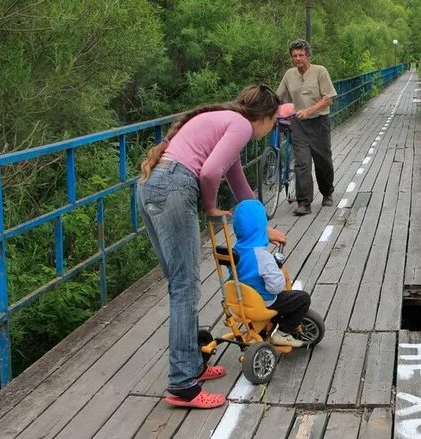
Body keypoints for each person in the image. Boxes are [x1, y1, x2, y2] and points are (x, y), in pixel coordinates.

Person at [137, 84, 288, 410]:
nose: (272, 128)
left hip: (152, 186)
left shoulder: (228, 121)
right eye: (274, 121)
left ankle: (192, 367)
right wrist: (210, 206)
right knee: (185, 289)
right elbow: (209, 173)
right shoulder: (242, 125)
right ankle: (182, 386)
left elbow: (239, 186)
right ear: (264, 117)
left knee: (180, 286)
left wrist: (263, 228)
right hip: (174, 189)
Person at [232, 199, 310, 348]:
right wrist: (280, 274)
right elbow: (276, 288)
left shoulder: (234, 251)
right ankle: (282, 332)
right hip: (262, 302)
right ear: (262, 227)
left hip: (239, 302)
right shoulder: (262, 256)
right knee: (302, 298)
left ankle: (267, 325)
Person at [276, 39, 337, 215]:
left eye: (301, 55)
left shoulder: (320, 71)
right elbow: (279, 96)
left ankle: (327, 193)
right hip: (298, 124)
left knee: (323, 161)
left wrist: (308, 110)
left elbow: (329, 99)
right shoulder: (289, 75)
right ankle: (304, 203)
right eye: (294, 56)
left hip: (319, 122)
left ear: (308, 56)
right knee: (302, 163)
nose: (298, 59)